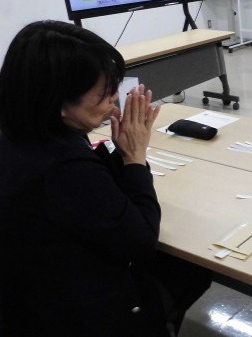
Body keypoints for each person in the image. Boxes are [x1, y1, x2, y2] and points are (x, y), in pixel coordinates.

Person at [0, 21, 211, 336]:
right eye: (103, 95)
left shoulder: (24, 131)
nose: (114, 101)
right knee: (193, 266)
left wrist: (120, 153)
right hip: (74, 311)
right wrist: (135, 158)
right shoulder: (62, 166)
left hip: (26, 298)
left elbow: (91, 196)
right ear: (59, 101)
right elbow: (141, 242)